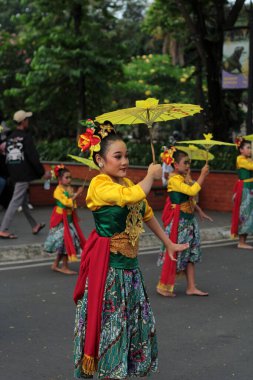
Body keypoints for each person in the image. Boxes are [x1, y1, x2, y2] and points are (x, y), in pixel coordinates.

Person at [72, 120, 189, 379]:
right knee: (111, 327)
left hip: (130, 273)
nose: (124, 161)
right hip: (109, 272)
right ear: (100, 160)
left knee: (131, 326)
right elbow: (132, 197)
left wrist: (167, 242)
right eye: (118, 156)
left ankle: (120, 370)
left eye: (126, 156)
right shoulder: (99, 185)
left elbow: (146, 213)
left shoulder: (126, 184)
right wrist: (150, 175)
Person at [156, 148, 209, 297]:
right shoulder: (174, 180)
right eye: (185, 163)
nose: (188, 165)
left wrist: (199, 211)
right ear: (175, 165)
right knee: (174, 254)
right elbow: (192, 191)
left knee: (191, 254)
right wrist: (203, 175)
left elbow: (190, 198)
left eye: (189, 163)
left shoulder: (183, 178)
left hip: (189, 221)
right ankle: (163, 286)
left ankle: (191, 287)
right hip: (179, 223)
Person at [0, 110, 50, 239]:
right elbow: (32, 158)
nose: (28, 121)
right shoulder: (26, 138)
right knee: (16, 201)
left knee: (23, 201)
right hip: (22, 175)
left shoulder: (10, 137)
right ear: (23, 122)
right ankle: (3, 229)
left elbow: (7, 156)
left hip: (13, 174)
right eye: (27, 119)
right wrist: (42, 173)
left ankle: (34, 225)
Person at [44, 165, 86, 274]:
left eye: (70, 177)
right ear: (60, 179)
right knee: (66, 241)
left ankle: (56, 264)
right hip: (60, 220)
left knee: (66, 241)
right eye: (66, 177)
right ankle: (64, 266)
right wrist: (77, 194)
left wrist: (76, 195)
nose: (69, 179)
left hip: (68, 219)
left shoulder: (69, 188)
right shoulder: (58, 191)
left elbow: (72, 204)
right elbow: (66, 202)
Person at [231, 137, 253, 249]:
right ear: (241, 150)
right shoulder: (240, 159)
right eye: (248, 148)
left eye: (251, 148)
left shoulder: (248, 159)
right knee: (244, 213)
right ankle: (241, 242)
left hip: (249, 188)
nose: (250, 150)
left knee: (249, 214)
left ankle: (244, 240)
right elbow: (251, 167)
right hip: (244, 189)